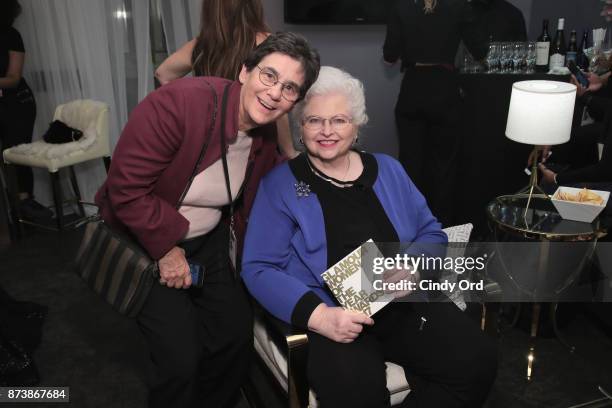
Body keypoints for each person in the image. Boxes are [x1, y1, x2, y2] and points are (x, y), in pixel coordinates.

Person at [242, 66, 497, 408]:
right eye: (315, 120)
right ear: (300, 126)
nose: (327, 131)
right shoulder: (281, 185)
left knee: (476, 360)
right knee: (358, 394)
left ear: (357, 123)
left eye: (339, 120)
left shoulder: (389, 169)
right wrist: (320, 317)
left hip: (401, 303)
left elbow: (430, 231)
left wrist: (414, 267)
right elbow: (258, 267)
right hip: (334, 317)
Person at [95, 32, 320, 408]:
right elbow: (126, 188)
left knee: (233, 337)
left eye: (290, 88)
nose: (274, 93)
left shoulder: (264, 133)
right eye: (269, 76)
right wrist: (166, 250)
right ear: (244, 71)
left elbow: (277, 179)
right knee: (179, 360)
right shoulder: (178, 104)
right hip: (148, 241)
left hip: (207, 242)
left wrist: (319, 185)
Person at [383, 0, 486, 227]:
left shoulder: (402, 6)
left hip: (413, 90)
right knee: (444, 169)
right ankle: (442, 231)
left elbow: (389, 58)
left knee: (410, 165)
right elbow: (481, 52)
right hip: (445, 91)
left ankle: (409, 227)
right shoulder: (459, 6)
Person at [154, 0, 297, 158]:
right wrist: (289, 150)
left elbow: (163, 74)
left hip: (209, 143)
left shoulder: (201, 45)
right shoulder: (267, 43)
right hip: (255, 144)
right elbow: (275, 103)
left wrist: (192, 111)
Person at [0, 0, 52, 221]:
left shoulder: (10, 35)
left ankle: (25, 203)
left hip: (17, 103)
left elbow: (13, 78)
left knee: (16, 152)